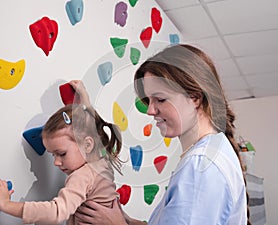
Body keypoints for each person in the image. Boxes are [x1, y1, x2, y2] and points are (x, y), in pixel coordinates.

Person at [74, 44, 250, 225]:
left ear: (195, 98)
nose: (150, 110)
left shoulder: (200, 166)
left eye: (160, 99)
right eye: (148, 100)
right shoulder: (214, 149)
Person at [0, 100, 122, 224]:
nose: (56, 162)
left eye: (62, 154)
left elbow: (57, 212)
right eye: (53, 155)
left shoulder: (82, 176)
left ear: (87, 145)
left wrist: (6, 204)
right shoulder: (103, 165)